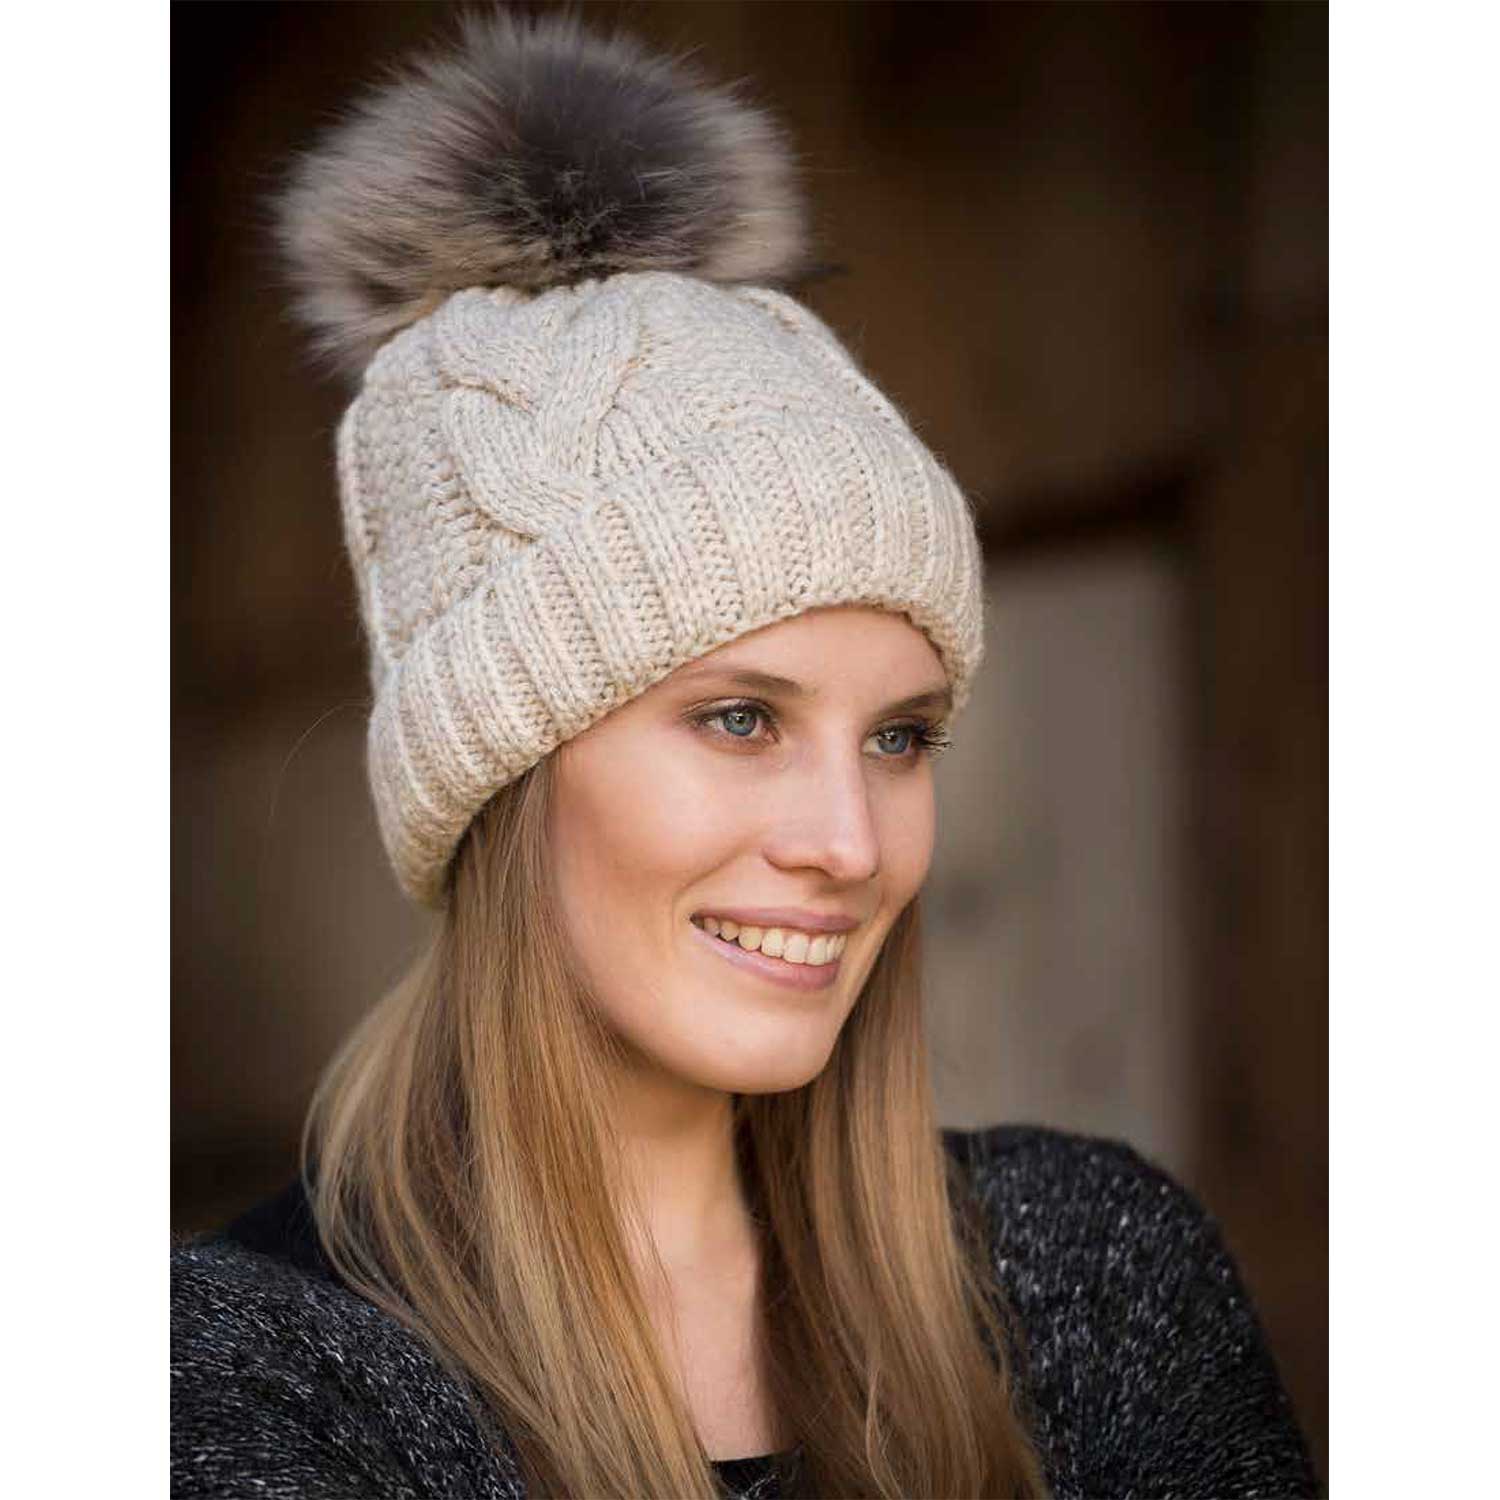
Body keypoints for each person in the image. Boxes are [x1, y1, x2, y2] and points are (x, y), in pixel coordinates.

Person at [170, 10, 1318, 1498]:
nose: (850, 842)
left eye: (900, 736)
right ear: (501, 771)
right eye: (740, 718)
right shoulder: (241, 1379)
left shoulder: (1092, 1281)